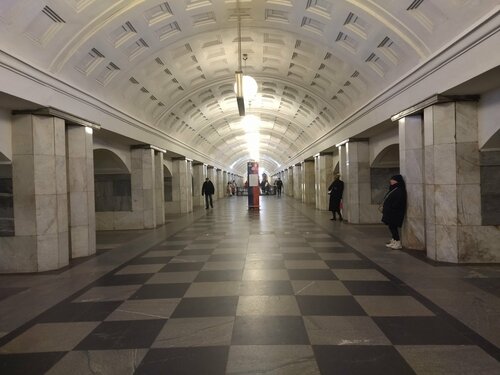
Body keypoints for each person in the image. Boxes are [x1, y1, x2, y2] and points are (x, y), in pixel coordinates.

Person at [381, 174, 407, 249]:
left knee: (393, 227)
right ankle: (394, 240)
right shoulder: (394, 188)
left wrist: (391, 207)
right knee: (391, 226)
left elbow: (398, 201)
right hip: (390, 212)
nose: (391, 181)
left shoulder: (399, 189)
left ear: (397, 181)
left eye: (393, 180)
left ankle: (398, 242)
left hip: (395, 212)